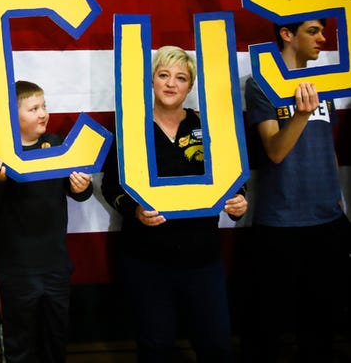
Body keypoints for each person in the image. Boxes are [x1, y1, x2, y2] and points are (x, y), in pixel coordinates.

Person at [101, 46, 247, 362]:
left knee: (216, 346)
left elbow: (234, 177)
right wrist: (135, 211)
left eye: (180, 78)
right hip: (147, 259)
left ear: (190, 86)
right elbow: (111, 184)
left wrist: (239, 199)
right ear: (151, 81)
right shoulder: (130, 128)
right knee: (155, 347)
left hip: (203, 257)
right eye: (164, 75)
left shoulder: (207, 125)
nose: (171, 84)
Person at [242, 19, 349, 362]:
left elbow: (325, 144)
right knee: (271, 324)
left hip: (328, 218)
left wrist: (338, 196)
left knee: (322, 322)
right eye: (313, 31)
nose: (322, 38)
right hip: (281, 221)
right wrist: (301, 114)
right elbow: (274, 150)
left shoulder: (324, 82)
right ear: (287, 35)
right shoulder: (261, 84)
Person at [0, 80, 93, 363]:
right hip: (16, 269)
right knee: (19, 341)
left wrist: (82, 187)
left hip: (55, 264)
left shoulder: (57, 145)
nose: (43, 114)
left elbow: (79, 191)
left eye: (44, 106)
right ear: (11, 117)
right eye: (33, 108)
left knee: (56, 335)